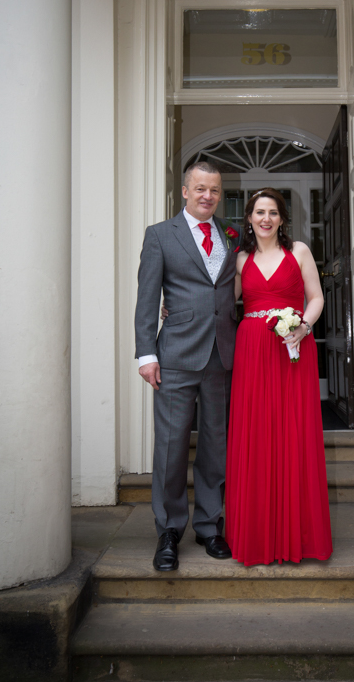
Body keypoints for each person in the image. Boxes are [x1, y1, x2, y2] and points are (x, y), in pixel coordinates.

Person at [135, 161, 240, 572]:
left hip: (222, 356)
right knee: (171, 446)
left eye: (214, 190)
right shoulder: (160, 235)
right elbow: (147, 297)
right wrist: (147, 354)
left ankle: (209, 526)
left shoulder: (232, 234)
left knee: (216, 445)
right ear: (184, 191)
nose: (207, 196)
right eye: (200, 189)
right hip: (175, 356)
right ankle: (169, 530)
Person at [225, 188, 333, 565]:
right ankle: (257, 535)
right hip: (253, 351)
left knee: (294, 431)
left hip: (293, 347)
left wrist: (304, 326)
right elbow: (223, 303)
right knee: (255, 432)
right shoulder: (240, 259)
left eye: (273, 212)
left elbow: (316, 297)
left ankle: (298, 535)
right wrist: (174, 308)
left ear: (282, 218)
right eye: (259, 212)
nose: (266, 218)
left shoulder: (299, 251)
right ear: (249, 219)